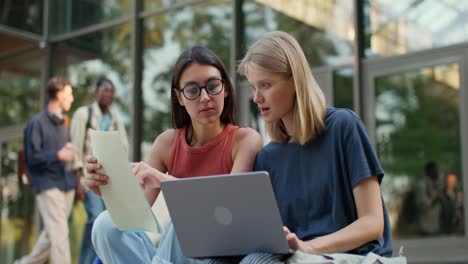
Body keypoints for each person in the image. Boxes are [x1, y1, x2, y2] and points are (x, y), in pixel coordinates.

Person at [83, 46, 262, 263]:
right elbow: (135, 213)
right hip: (173, 254)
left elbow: (229, 211)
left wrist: (165, 181)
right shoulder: (167, 143)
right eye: (193, 90)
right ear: (179, 97)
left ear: (225, 89)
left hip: (217, 254)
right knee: (105, 225)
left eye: (213, 86)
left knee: (185, 218)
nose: (205, 97)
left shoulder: (245, 140)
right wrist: (105, 188)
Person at [236, 31, 394, 261]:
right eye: (253, 87)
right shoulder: (267, 158)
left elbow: (372, 223)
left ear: (294, 81)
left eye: (265, 85)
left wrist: (308, 247)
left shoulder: (343, 127)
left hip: (353, 258)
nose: (256, 97)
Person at [15, 77, 76, 264]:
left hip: (67, 183)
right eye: (69, 94)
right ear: (58, 95)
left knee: (52, 235)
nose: (72, 99)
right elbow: (32, 157)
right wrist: (58, 155)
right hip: (47, 184)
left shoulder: (66, 122)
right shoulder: (37, 123)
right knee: (60, 234)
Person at [70, 78, 128, 264]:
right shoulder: (83, 114)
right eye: (104, 90)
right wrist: (77, 180)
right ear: (96, 92)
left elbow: (123, 148)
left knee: (109, 224)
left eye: (111, 91)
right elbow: (76, 148)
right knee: (94, 219)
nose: (108, 94)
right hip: (90, 178)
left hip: (110, 182)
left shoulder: (116, 119)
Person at [414, 161, 442, 236]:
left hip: (435, 226)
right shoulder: (421, 185)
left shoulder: (436, 184)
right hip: (425, 228)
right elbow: (422, 205)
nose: (437, 172)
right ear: (429, 171)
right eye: (435, 170)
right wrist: (436, 199)